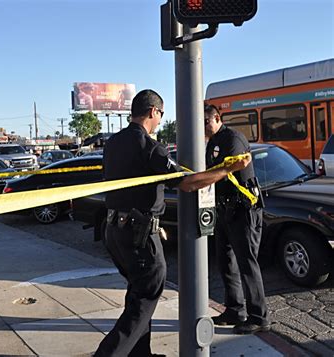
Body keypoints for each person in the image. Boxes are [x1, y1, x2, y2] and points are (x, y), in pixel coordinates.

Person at [95, 90, 252, 357]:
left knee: (138, 293)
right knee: (143, 300)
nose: (160, 121)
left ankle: (140, 354)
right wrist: (226, 170)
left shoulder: (113, 143)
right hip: (139, 235)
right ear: (153, 112)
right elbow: (187, 183)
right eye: (161, 115)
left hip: (113, 232)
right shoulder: (150, 146)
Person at [204, 104, 270, 335]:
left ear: (217, 118)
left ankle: (259, 317)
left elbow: (223, 171)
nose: (203, 127)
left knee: (247, 264)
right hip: (225, 211)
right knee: (226, 262)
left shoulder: (233, 139)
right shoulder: (212, 142)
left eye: (206, 122)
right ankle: (234, 309)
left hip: (243, 211)